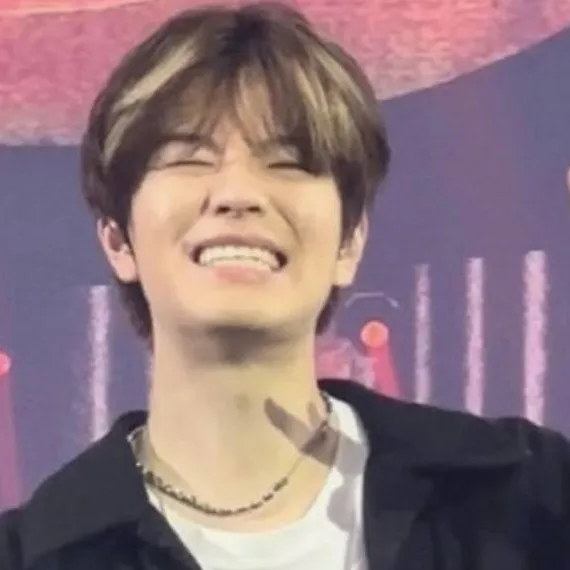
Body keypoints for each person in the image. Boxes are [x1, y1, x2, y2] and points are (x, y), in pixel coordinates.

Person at [1, 2, 570, 569]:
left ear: (350, 242)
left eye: (289, 162)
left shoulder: (528, 498)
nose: (238, 195)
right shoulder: (33, 554)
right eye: (188, 158)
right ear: (118, 240)